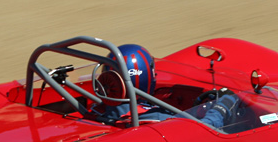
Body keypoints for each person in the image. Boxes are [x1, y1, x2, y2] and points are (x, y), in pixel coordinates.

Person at [93, 44, 241, 130]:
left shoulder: (95, 111)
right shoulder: (156, 118)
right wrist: (224, 105)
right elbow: (204, 129)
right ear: (146, 76)